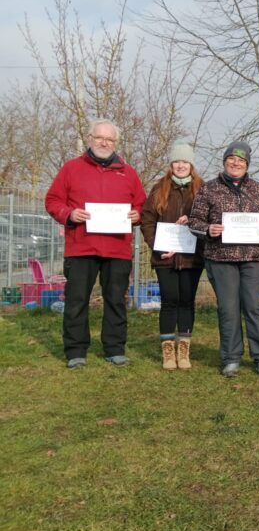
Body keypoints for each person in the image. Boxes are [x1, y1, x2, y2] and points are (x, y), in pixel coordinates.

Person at [45, 119, 147, 368]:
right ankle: (76, 351)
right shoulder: (71, 168)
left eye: (110, 139)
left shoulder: (129, 173)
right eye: (99, 138)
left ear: (116, 143)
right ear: (90, 139)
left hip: (117, 248)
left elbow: (142, 205)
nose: (104, 143)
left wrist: (137, 214)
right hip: (81, 247)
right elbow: (52, 200)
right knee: (77, 300)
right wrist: (69, 214)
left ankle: (115, 348)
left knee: (116, 300)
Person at [188, 141, 259, 378]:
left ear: (247, 164)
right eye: (231, 159)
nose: (235, 163)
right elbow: (194, 222)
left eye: (241, 160)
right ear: (224, 161)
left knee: (255, 307)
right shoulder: (209, 189)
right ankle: (231, 358)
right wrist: (208, 229)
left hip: (254, 258)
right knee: (228, 309)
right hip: (221, 259)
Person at [140, 139, 205, 371]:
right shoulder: (159, 188)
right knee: (169, 301)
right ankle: (168, 351)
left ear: (191, 165)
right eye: (176, 161)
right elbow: (147, 220)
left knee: (186, 301)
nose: (180, 165)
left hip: (191, 258)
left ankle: (184, 350)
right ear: (171, 164)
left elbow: (210, 218)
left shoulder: (202, 189)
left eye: (185, 161)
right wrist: (157, 246)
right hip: (164, 258)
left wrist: (193, 220)